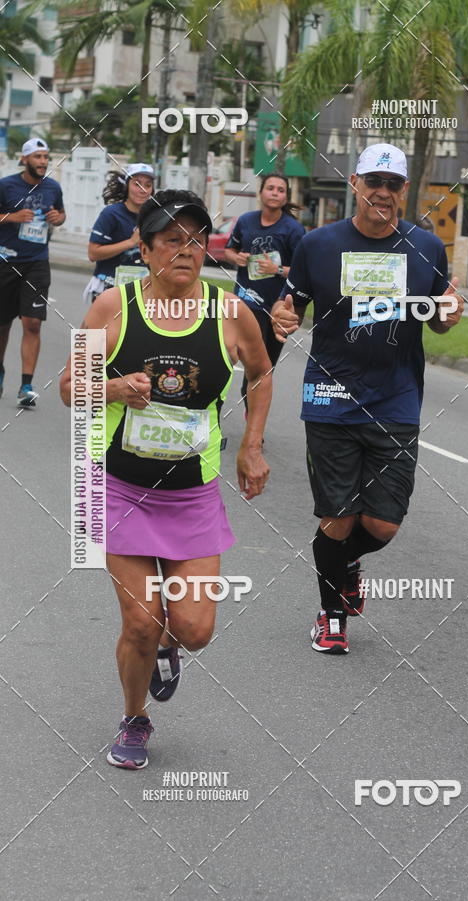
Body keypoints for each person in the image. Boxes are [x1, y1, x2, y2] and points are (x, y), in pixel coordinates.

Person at [60, 189, 272, 768]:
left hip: (191, 496)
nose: (187, 250)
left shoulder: (230, 313)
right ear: (148, 251)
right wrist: (112, 388)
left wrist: (250, 445)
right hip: (121, 490)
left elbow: (260, 371)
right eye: (172, 240)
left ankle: (167, 649)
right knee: (141, 620)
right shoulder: (113, 308)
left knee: (195, 628)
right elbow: (67, 388)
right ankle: (135, 719)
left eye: (197, 240)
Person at [271, 143, 464, 654]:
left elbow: (440, 318)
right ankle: (332, 616)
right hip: (331, 396)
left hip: (396, 400)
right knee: (336, 518)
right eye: (373, 182)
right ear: (355, 183)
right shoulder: (317, 244)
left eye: (393, 184)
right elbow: (289, 308)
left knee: (381, 524)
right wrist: (282, 318)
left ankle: (344, 563)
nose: (382, 192)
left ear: (404, 190)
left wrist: (449, 314)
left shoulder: (428, 248)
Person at [223, 174, 304, 410]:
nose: (275, 193)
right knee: (248, 365)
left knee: (265, 369)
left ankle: (254, 419)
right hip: (248, 302)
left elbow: (303, 271)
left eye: (281, 189)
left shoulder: (293, 230)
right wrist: (236, 258)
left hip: (278, 308)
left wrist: (277, 269)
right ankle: (247, 419)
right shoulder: (246, 221)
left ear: (286, 196)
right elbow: (230, 251)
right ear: (261, 193)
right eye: (270, 188)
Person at [0, 138, 66, 407]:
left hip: (37, 262)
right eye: (37, 157)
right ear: (24, 159)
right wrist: (11, 217)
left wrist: (57, 219)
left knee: (33, 322)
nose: (43, 162)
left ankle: (26, 385)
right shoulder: (6, 185)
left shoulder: (53, 186)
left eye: (46, 157)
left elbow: (61, 214)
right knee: (3, 324)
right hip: (6, 260)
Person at [83, 163, 155, 304]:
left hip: (141, 290)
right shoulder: (111, 214)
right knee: (102, 327)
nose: (143, 190)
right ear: (127, 186)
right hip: (108, 287)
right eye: (137, 184)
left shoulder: (154, 217)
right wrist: (130, 242)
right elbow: (93, 253)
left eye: (148, 185)